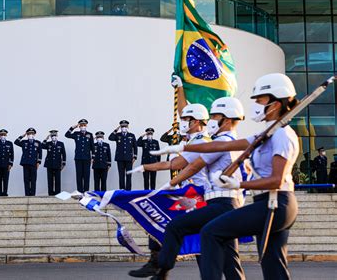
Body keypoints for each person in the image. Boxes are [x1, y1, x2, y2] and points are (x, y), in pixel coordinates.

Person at [178, 73, 299, 280]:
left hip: (275, 203)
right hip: (269, 203)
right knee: (273, 266)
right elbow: (223, 144)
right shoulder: (268, 132)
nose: (256, 105)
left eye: (260, 100)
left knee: (211, 232)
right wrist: (183, 146)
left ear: (276, 103)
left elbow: (277, 180)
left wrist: (240, 183)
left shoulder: (282, 135)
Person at [146, 97, 246, 280]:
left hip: (219, 202)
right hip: (229, 202)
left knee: (176, 227)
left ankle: (161, 272)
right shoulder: (235, 142)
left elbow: (191, 166)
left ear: (229, 118)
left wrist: (169, 185)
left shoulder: (220, 142)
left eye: (216, 116)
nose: (212, 120)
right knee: (230, 259)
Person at [128, 103, 211, 278]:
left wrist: (146, 167)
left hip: (200, 196)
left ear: (196, 122)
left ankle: (156, 265)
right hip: (193, 193)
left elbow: (175, 165)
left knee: (166, 216)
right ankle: (158, 267)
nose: (182, 123)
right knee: (172, 225)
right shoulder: (193, 141)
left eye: (185, 119)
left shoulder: (201, 141)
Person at [65, 119, 94, 193]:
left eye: (84, 125)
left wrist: (93, 157)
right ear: (79, 126)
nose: (83, 126)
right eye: (81, 125)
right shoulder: (76, 133)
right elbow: (67, 135)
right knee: (79, 175)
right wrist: (72, 127)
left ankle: (86, 192)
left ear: (86, 126)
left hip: (87, 158)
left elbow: (92, 147)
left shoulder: (89, 134)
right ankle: (80, 191)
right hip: (78, 158)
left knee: (86, 175)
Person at [109, 120, 137, 191]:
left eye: (125, 126)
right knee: (121, 176)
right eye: (122, 126)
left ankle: (128, 191)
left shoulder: (131, 135)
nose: (124, 127)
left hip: (129, 158)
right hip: (120, 158)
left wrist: (135, 157)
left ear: (128, 127)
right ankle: (122, 191)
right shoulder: (117, 135)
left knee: (129, 175)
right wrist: (116, 129)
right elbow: (110, 138)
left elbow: (135, 146)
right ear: (120, 127)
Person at [15, 128, 42, 196]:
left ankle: (32, 194)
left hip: (33, 163)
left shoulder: (38, 143)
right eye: (29, 133)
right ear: (27, 134)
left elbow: (40, 153)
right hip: (26, 163)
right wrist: (23, 135)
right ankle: (27, 194)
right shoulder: (24, 142)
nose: (30, 135)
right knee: (26, 179)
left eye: (32, 133)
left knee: (33, 180)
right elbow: (16, 142)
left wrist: (38, 162)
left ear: (34, 134)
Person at [42, 130, 66, 196]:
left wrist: (63, 163)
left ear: (57, 136)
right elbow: (41, 146)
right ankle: (51, 194)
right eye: (52, 136)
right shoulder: (48, 143)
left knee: (57, 180)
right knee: (50, 180)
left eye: (54, 135)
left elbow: (63, 153)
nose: (53, 137)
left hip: (58, 164)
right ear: (50, 136)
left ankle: (58, 193)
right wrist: (46, 139)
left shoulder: (61, 144)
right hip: (49, 164)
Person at [0, 129, 14, 197]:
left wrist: (10, 164)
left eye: (4, 134)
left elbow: (11, 154)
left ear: (6, 135)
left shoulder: (9, 143)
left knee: (5, 180)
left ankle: (5, 193)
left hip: (6, 165)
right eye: (1, 134)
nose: (3, 136)